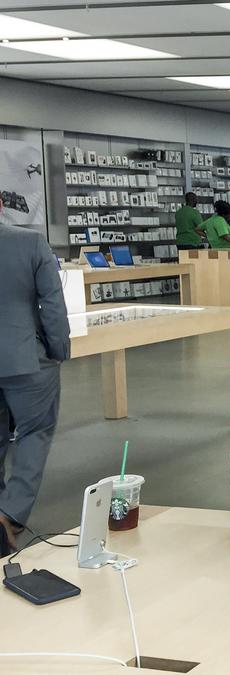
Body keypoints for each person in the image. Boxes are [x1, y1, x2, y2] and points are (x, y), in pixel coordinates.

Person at [0, 205, 70, 556]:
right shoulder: (29, 243)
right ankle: (10, 514)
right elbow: (51, 301)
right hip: (25, 358)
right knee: (35, 430)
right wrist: (58, 348)